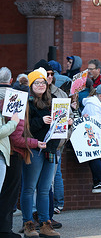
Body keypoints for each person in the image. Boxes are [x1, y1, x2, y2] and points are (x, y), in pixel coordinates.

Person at [0, 67, 46, 238]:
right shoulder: (16, 104)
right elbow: (16, 138)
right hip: (12, 153)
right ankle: (4, 230)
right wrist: (36, 143)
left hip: (8, 152)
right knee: (9, 194)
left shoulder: (4, 99)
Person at [21, 68, 64, 238]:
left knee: (45, 189)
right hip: (33, 148)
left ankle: (45, 224)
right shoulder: (26, 103)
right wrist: (41, 121)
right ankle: (28, 225)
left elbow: (57, 127)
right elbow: (23, 128)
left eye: (42, 82)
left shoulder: (53, 100)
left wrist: (64, 122)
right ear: (31, 85)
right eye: (36, 82)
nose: (40, 85)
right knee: (29, 188)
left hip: (51, 149)